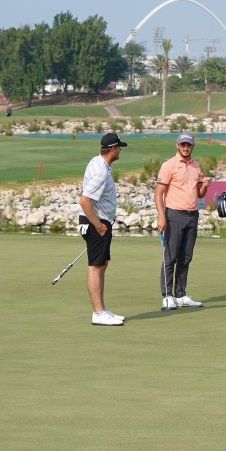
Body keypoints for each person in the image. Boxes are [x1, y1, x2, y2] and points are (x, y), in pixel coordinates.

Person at [155, 132, 211, 310]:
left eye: (189, 145)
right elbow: (158, 193)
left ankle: (180, 294)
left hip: (192, 214)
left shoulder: (196, 166)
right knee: (171, 257)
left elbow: (200, 194)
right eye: (183, 145)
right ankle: (167, 296)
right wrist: (161, 216)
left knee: (186, 257)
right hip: (174, 214)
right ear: (177, 145)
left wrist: (205, 186)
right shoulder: (169, 165)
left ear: (193, 146)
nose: (186, 148)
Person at [78, 132, 128, 327]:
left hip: (99, 220)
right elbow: (84, 201)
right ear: (113, 149)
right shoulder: (101, 171)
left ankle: (101, 310)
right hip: (95, 222)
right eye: (119, 147)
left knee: (102, 264)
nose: (120, 150)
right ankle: (98, 313)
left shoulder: (98, 162)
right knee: (96, 266)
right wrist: (98, 226)